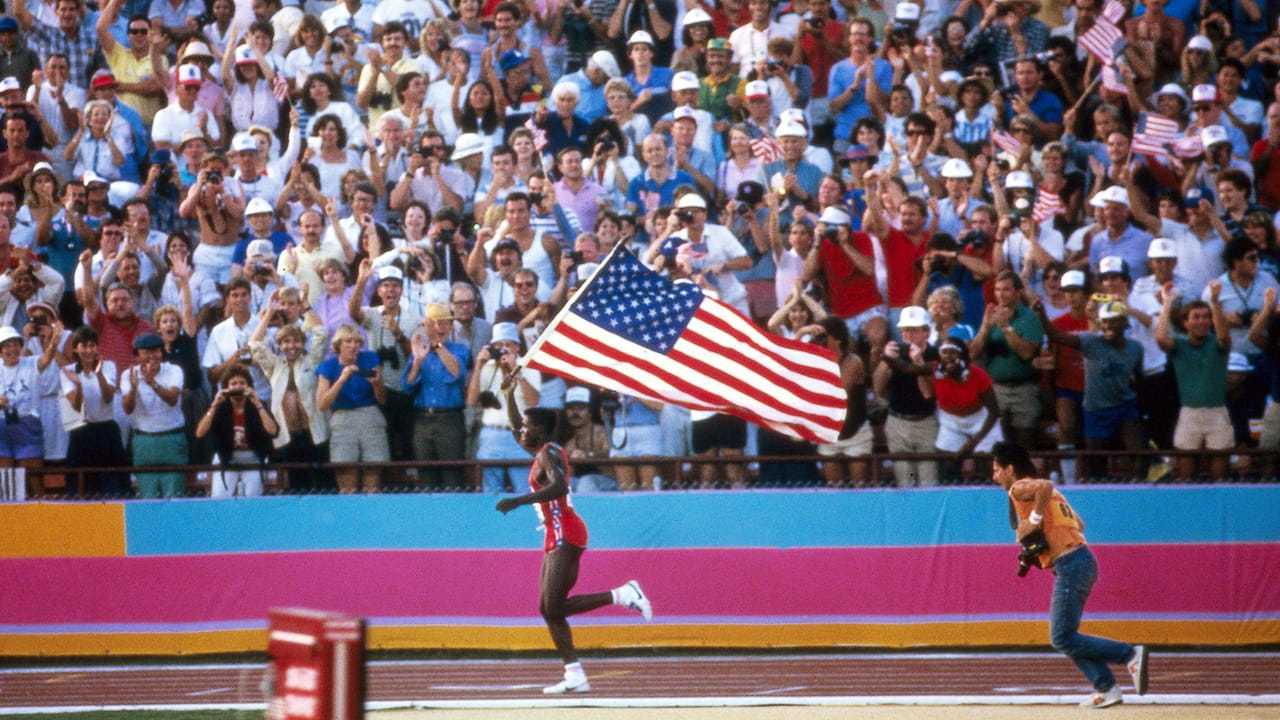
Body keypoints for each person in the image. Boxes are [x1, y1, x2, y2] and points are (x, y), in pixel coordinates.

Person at [494, 388, 651, 695]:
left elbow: (559, 487)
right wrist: (509, 392)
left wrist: (519, 501)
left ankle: (621, 594)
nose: (521, 430)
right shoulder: (540, 450)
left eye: (527, 426)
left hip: (567, 530)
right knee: (548, 607)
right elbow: (517, 426)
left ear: (539, 429)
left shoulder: (550, 452)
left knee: (553, 605)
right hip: (556, 533)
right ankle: (574, 674)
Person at [990, 440, 1149, 709]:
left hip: (1071, 563)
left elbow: (1045, 485)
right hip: (1081, 560)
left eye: (996, 469)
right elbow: (1079, 523)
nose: (994, 476)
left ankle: (1128, 654)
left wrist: (1034, 521)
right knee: (1068, 636)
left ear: (1010, 468)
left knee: (1062, 637)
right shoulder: (1054, 497)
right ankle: (1107, 688)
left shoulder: (1020, 488)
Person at [403, 302, 470, 492]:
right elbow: (407, 385)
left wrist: (438, 345)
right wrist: (417, 361)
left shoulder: (459, 349)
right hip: (423, 418)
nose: (440, 327)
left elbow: (456, 372)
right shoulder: (420, 350)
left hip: (449, 418)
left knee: (452, 475)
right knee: (426, 475)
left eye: (444, 323)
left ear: (450, 326)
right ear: (427, 325)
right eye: (435, 323)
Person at [194, 365, 278, 497]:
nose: (238, 387)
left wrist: (258, 404)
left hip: (252, 457)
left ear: (249, 386)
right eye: (233, 383)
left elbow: (273, 431)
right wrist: (214, 406)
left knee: (253, 498)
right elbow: (200, 433)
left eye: (242, 383)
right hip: (226, 457)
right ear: (227, 387)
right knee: (220, 497)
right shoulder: (220, 407)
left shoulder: (257, 405)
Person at [121, 332, 187, 498]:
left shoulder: (174, 370)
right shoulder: (128, 375)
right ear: (137, 356)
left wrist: (153, 383)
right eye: (146, 352)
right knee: (147, 496)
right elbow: (127, 409)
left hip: (171, 437)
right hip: (144, 440)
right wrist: (134, 388)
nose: (152, 356)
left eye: (156, 351)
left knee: (174, 496)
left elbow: (172, 399)